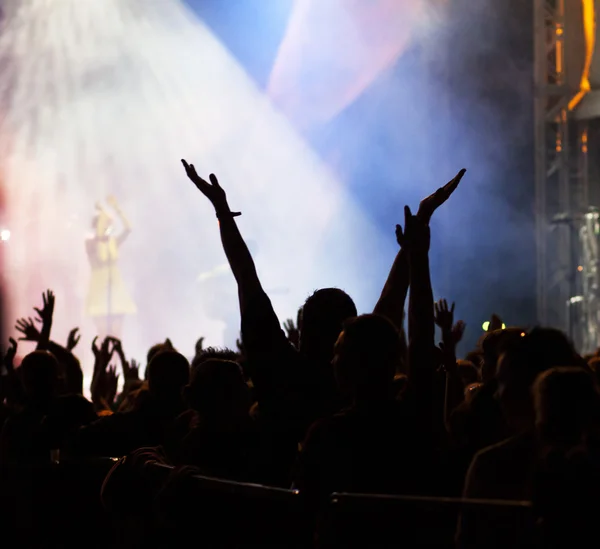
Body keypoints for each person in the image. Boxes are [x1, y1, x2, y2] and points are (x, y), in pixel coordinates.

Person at [85, 196, 136, 339]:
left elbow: (128, 228)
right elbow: (99, 238)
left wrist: (116, 208)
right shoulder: (90, 242)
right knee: (102, 333)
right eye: (104, 223)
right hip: (99, 287)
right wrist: (102, 213)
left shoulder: (113, 241)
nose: (107, 226)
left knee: (117, 333)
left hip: (115, 286)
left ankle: (118, 359)